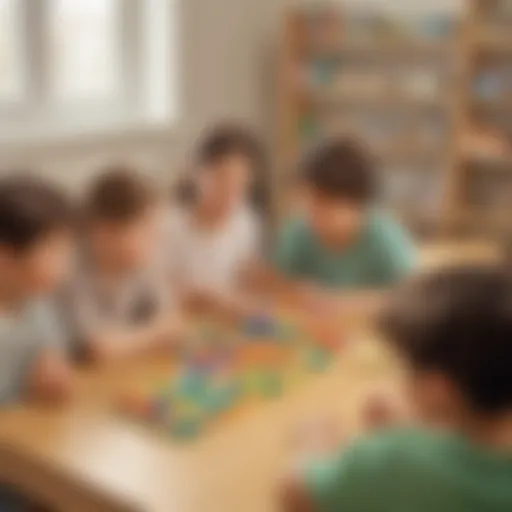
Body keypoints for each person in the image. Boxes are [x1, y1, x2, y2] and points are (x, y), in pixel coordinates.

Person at [282, 265, 512, 512]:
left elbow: (294, 495)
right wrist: (422, 422)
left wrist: (314, 448)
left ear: (438, 390)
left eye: (406, 369)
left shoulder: (397, 459)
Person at [272, 138, 415, 309]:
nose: (313, 211)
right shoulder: (298, 232)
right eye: (307, 200)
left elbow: (411, 298)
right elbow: (277, 284)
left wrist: (338, 302)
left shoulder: (385, 237)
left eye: (324, 202)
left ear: (359, 204)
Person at [64, 167, 184, 364]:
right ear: (104, 232)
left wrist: (134, 339)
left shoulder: (141, 262)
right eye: (145, 229)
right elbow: (96, 349)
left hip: (121, 371)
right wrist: (154, 334)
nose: (156, 239)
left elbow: (172, 323)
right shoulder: (71, 269)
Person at [167, 123, 265, 318]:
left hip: (223, 324)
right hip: (179, 324)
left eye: (240, 186)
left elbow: (245, 272)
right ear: (196, 174)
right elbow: (158, 292)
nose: (230, 196)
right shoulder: (170, 224)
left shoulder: (245, 219)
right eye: (222, 182)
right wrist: (212, 298)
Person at [0, 176, 74, 405]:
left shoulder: (38, 305)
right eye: (53, 251)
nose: (64, 266)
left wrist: (54, 380)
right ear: (5, 256)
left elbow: (53, 363)